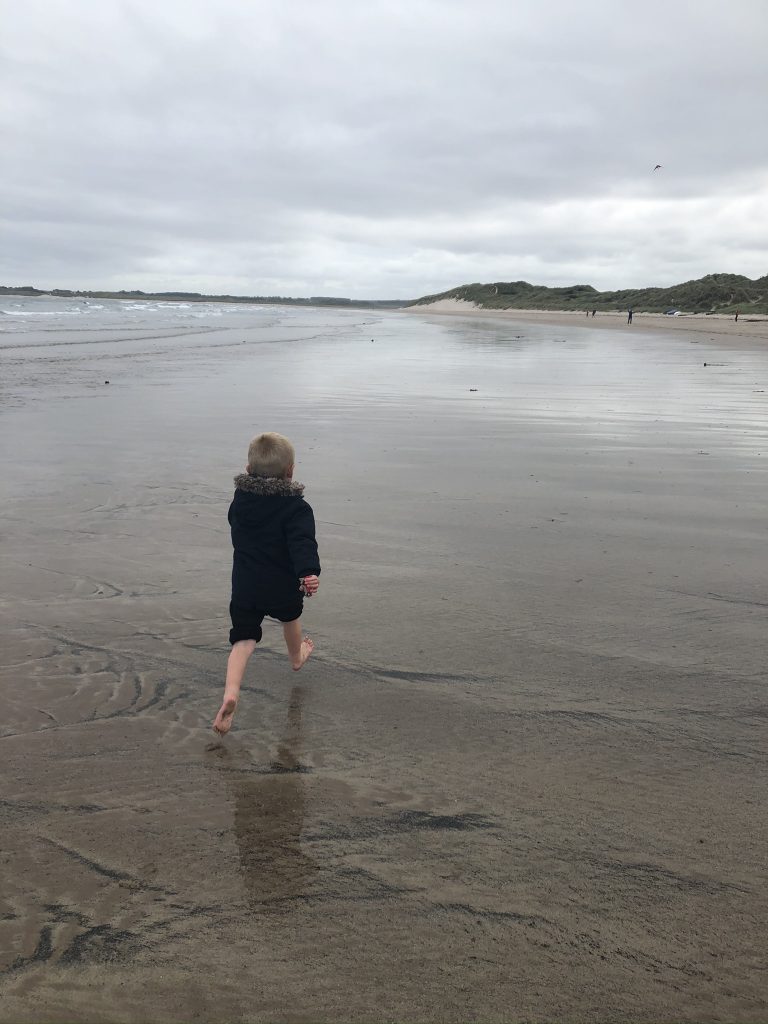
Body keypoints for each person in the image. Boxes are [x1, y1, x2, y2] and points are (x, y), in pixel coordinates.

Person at [213, 432, 321, 735]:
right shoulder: (297, 508)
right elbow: (302, 543)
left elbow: (234, 522)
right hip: (282, 583)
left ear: (248, 470)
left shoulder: (241, 501)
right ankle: (296, 657)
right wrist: (308, 572)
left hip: (246, 584)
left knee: (243, 640)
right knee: (290, 617)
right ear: (291, 472)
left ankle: (231, 693)